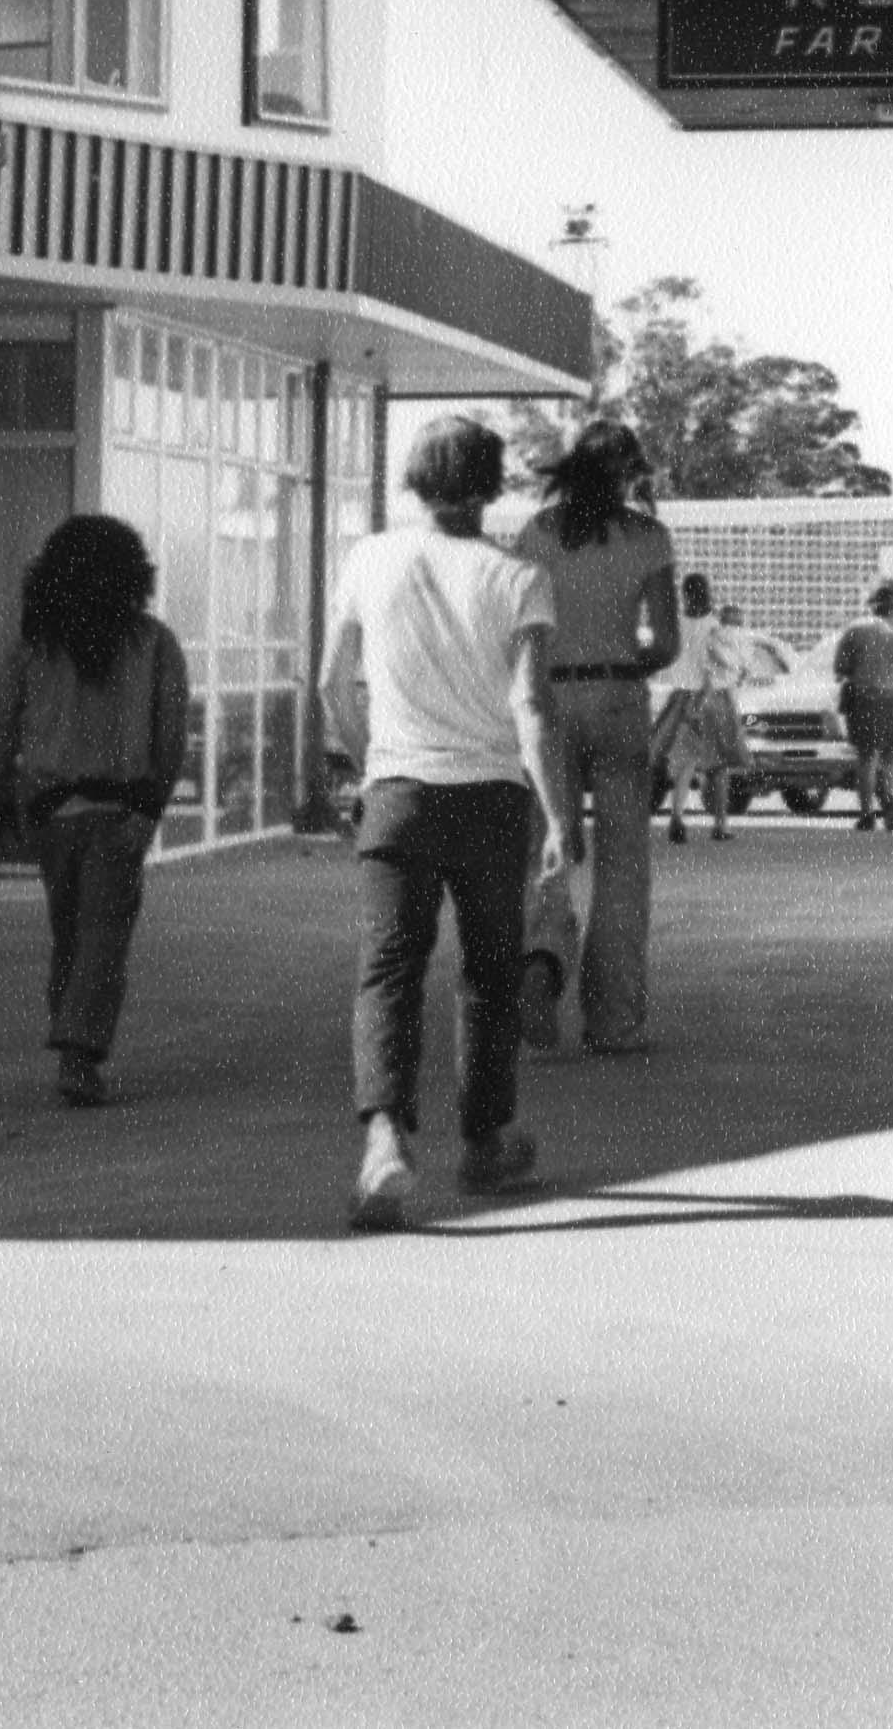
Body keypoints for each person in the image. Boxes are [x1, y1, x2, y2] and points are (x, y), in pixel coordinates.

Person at [323, 417, 569, 1230]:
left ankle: (384, 1138)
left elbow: (331, 685)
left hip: (396, 790)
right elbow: (529, 705)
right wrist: (559, 816)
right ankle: (484, 1141)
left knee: (387, 967)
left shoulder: (367, 557)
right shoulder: (519, 577)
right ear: (492, 484)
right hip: (491, 798)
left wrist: (370, 762)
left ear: (414, 480)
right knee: (489, 971)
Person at [0, 514, 193, 1109]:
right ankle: (79, 1053)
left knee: (69, 930)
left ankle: (72, 1039)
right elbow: (171, 737)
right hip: (119, 812)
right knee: (103, 934)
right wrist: (150, 812)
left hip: (49, 814)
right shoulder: (155, 644)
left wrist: (0, 796)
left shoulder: (34, 646)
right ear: (134, 573)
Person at [504, 420, 677, 1051]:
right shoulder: (648, 539)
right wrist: (629, 664)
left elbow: (516, 628)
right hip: (617, 699)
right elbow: (666, 643)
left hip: (546, 698)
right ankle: (613, 1019)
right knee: (623, 862)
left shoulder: (537, 535)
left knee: (546, 844)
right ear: (629, 474)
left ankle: (541, 966)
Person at [650, 571, 743, 846]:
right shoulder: (714, 626)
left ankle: (677, 816)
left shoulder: (677, 624)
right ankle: (720, 824)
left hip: (681, 698)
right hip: (712, 697)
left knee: (686, 763)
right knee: (719, 765)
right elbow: (715, 667)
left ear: (685, 594)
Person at [833, 581, 893, 833]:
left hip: (864, 700)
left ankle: (866, 814)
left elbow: (840, 669)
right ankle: (892, 808)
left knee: (867, 757)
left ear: (873, 604)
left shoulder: (855, 631)